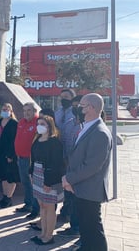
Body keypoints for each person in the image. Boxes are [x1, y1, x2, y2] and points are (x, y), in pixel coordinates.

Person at [62, 93, 112, 251]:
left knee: (93, 229)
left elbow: (92, 166)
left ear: (91, 108)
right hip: (81, 188)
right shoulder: (87, 127)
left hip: (90, 190)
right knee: (86, 227)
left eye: (81, 106)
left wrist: (69, 179)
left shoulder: (99, 133)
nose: (77, 109)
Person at [29, 116, 65, 246]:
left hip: (49, 178)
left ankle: (49, 236)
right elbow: (32, 159)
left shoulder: (54, 142)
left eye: (42, 124)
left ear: (49, 126)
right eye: (38, 123)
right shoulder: (37, 140)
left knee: (49, 207)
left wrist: (48, 182)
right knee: (42, 207)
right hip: (37, 176)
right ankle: (42, 233)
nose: (39, 126)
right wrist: (30, 173)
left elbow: (56, 164)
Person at [57, 95, 83, 236]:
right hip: (66, 166)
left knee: (77, 199)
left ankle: (77, 228)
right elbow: (64, 142)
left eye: (78, 106)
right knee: (69, 197)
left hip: (78, 169)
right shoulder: (69, 122)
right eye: (73, 106)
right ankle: (71, 223)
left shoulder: (85, 126)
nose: (75, 109)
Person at [14, 102, 39, 219]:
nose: (26, 113)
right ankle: (28, 204)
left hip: (31, 159)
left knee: (33, 184)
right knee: (25, 182)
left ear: (34, 111)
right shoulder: (21, 122)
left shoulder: (38, 123)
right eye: (24, 110)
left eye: (29, 110)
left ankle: (35, 208)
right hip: (21, 157)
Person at [0, 103, 20, 208]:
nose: (5, 111)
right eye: (3, 109)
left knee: (11, 177)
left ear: (11, 111)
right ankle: (4, 196)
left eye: (7, 109)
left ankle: (9, 198)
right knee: (3, 176)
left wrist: (11, 155)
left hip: (10, 154)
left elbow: (15, 140)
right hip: (0, 153)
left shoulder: (14, 124)